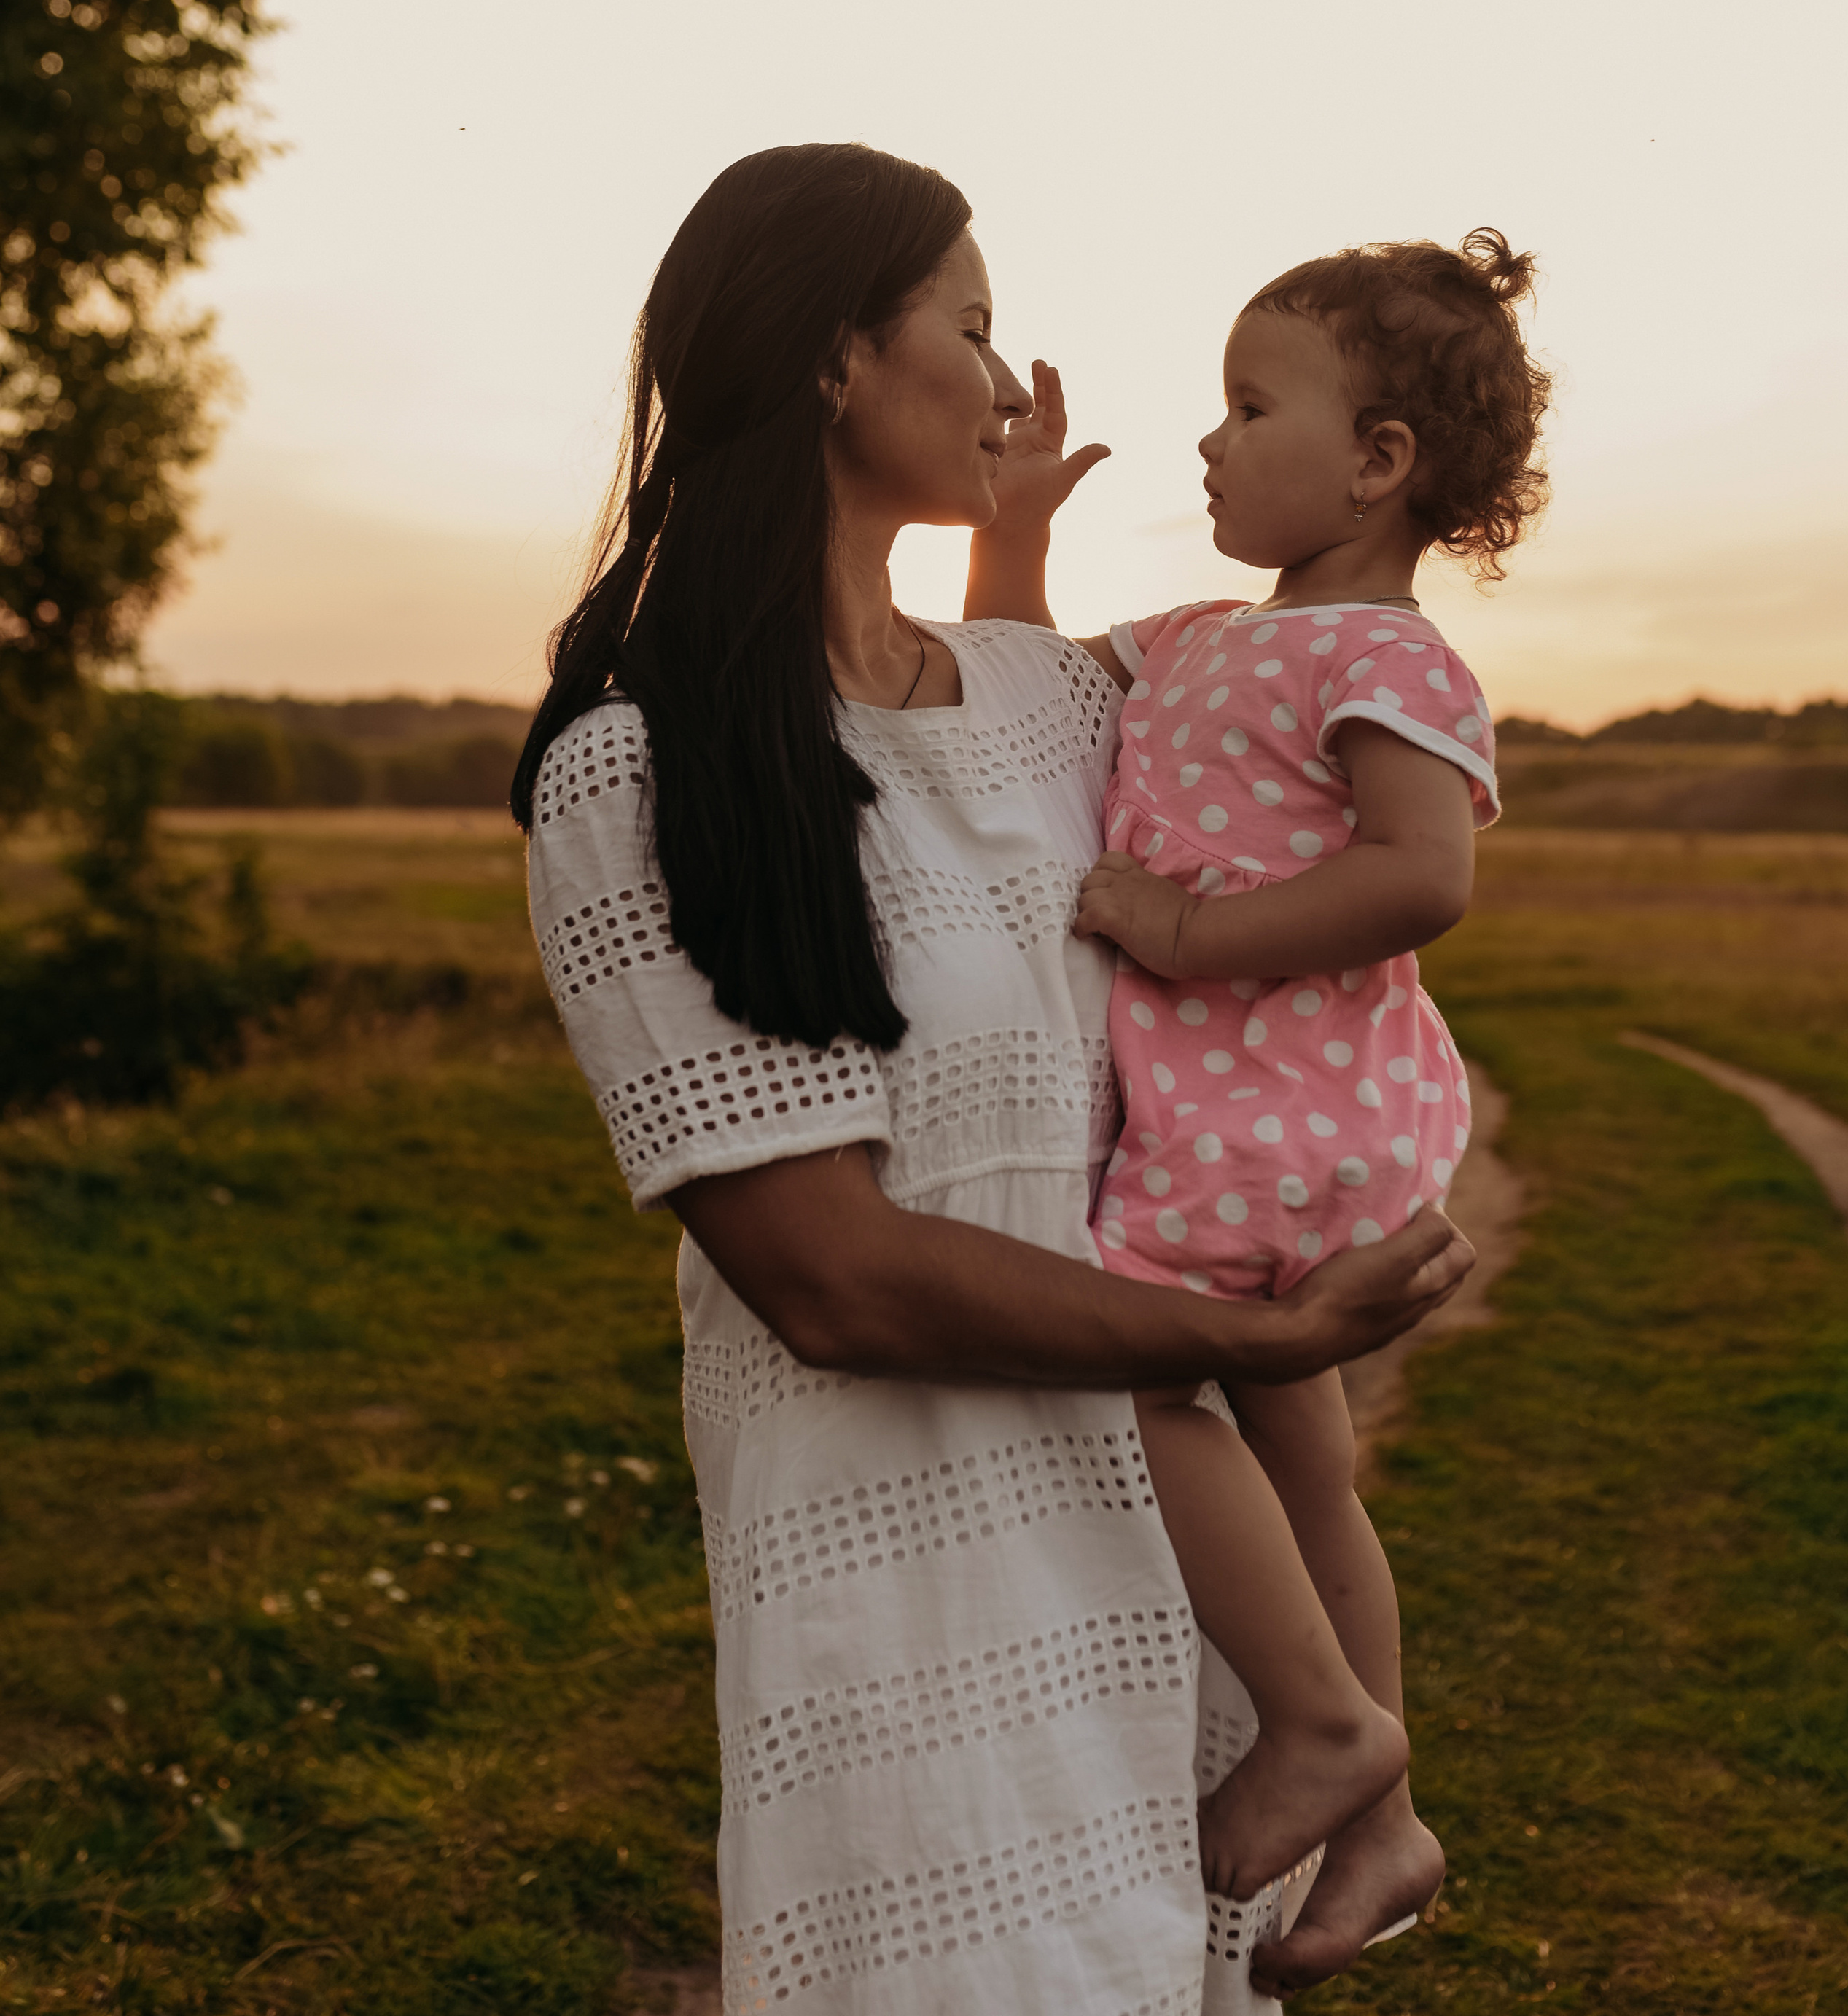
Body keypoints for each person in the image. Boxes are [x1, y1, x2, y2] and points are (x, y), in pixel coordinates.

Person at [513, 145, 1475, 2016]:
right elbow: (831, 1276)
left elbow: (1305, 809)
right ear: (830, 364)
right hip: (908, 1590)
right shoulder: (638, 770)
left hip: (1171, 1590)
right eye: (968, 327)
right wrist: (1264, 1349)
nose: (1006, 373)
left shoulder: (1053, 708)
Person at [968, 230, 1548, 1995]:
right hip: (1282, 1126)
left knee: (1142, 1373)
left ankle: (1313, 1725)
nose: (1206, 442)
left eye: (1243, 405)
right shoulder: (1210, 637)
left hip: (1283, 1126)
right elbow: (1017, 691)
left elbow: (1419, 878)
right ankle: (1381, 1819)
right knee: (1308, 1468)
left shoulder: (1382, 658)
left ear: (1376, 461)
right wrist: (1011, 540)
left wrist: (1183, 929)